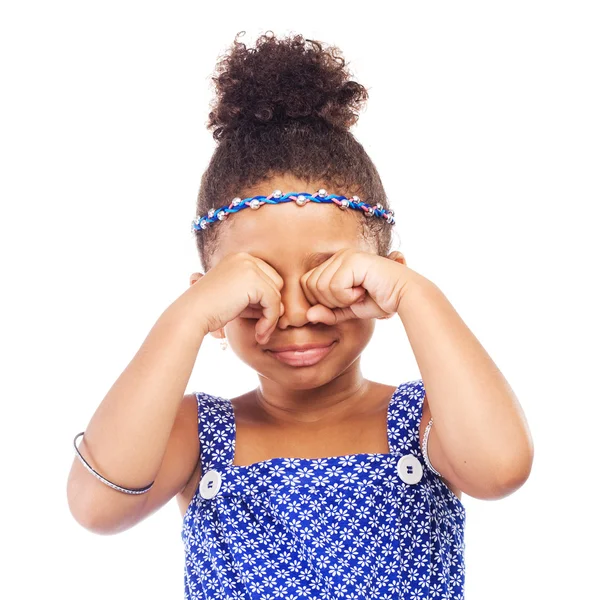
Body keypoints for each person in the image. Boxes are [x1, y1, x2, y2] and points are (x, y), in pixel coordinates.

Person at [67, 30, 534, 599]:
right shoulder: (199, 435)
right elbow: (96, 507)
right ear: (213, 300)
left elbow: (500, 468)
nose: (293, 313)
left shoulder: (424, 421)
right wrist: (184, 320)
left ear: (384, 277)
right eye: (255, 282)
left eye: (327, 275)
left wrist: (419, 297)